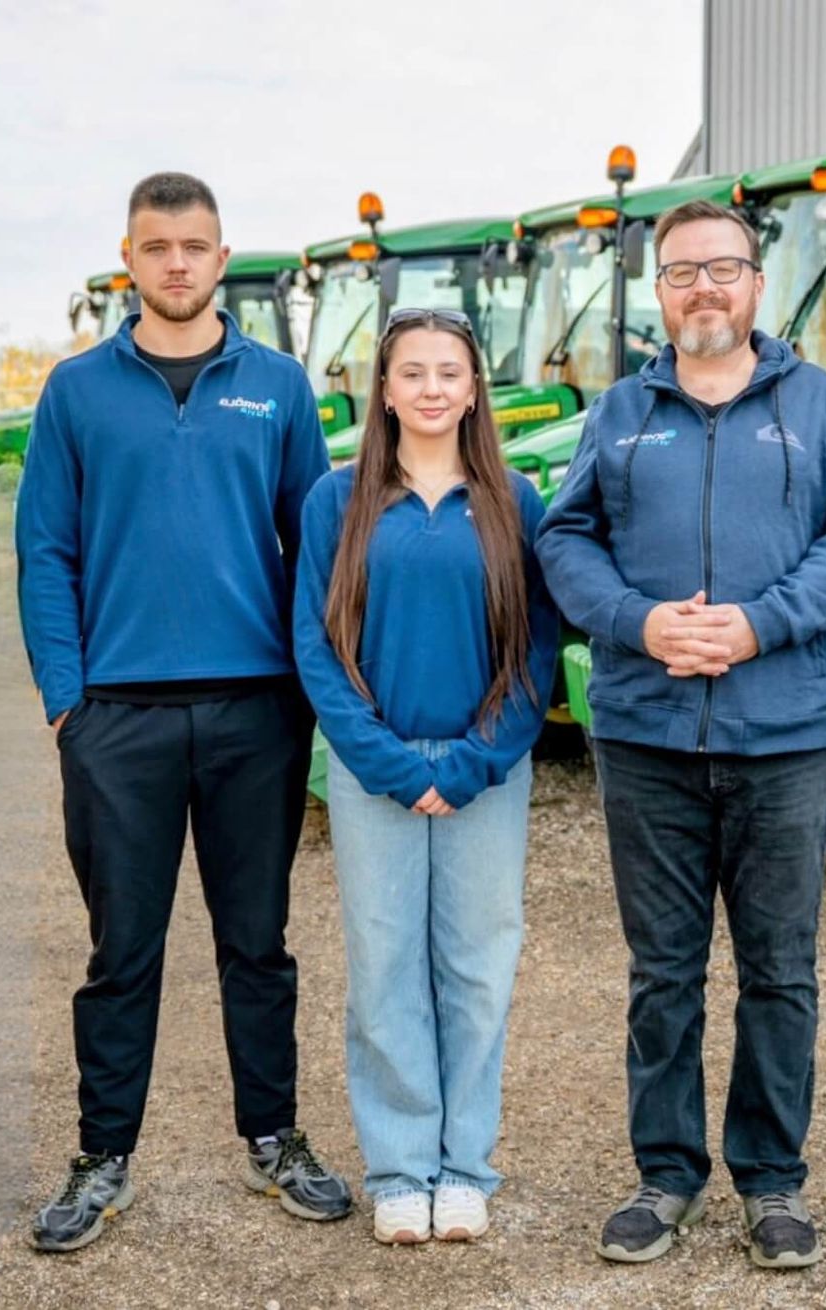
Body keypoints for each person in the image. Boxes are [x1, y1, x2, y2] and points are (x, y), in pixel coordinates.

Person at [535, 199, 826, 1270]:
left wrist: (759, 623)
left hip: (783, 734)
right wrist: (639, 621)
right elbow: (565, 539)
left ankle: (774, 1180)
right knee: (665, 968)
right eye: (683, 272)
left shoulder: (823, 408)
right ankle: (666, 1172)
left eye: (723, 269)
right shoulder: (618, 415)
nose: (704, 289)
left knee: (781, 968)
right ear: (660, 292)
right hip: (646, 736)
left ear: (756, 284)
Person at [15, 172, 348, 1253]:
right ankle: (103, 1155)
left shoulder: (280, 386)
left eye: (194, 246)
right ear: (129, 257)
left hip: (256, 712)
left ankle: (276, 1138)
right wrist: (69, 701)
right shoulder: (76, 391)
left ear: (219, 256)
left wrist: (307, 687)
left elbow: (316, 551)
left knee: (259, 942)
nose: (175, 264)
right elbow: (46, 551)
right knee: (124, 950)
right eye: (156, 247)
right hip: (118, 719)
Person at [295, 309, 558, 1245]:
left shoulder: (513, 501)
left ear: (475, 388)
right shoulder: (338, 502)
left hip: (486, 772)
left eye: (451, 372)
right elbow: (317, 648)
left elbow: (537, 654)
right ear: (385, 389)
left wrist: (483, 758)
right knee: (384, 970)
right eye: (414, 372)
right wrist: (387, 763)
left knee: (478, 970)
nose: (433, 388)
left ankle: (464, 1167)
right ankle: (402, 1168)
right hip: (377, 774)